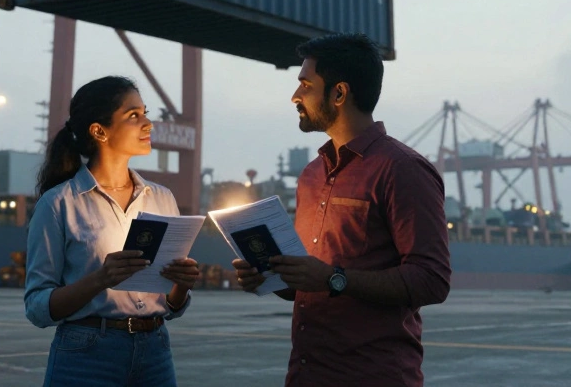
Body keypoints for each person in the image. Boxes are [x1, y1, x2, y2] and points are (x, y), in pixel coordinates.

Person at [233, 34, 451, 386]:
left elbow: (432, 280)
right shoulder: (311, 176)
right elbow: (310, 284)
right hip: (307, 374)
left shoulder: (403, 169)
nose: (295, 97)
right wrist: (272, 277)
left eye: (305, 84)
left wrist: (333, 278)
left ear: (339, 93)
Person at [25, 76, 200, 387]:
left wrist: (181, 286)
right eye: (134, 116)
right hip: (86, 354)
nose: (148, 124)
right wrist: (101, 279)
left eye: (145, 113)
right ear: (99, 131)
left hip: (156, 349)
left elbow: (170, 305)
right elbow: (38, 307)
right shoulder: (58, 204)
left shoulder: (161, 198)